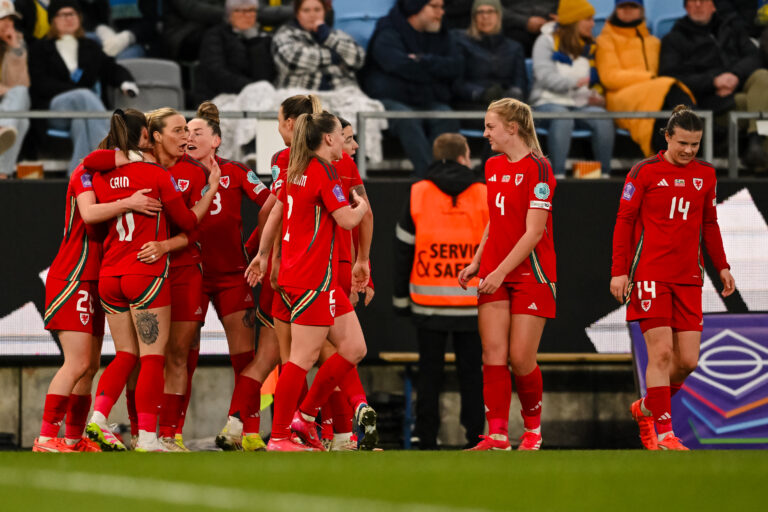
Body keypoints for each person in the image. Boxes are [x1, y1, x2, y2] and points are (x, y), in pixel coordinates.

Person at [85, 110, 220, 452]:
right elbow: (189, 223)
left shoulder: (102, 175)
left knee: (125, 354)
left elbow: (94, 222)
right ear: (149, 136)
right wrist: (211, 190)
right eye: (177, 129)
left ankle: (98, 418)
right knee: (152, 357)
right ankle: (147, 437)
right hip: (145, 274)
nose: (185, 136)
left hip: (110, 275)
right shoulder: (158, 176)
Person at [33, 110, 162, 453]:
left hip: (97, 278)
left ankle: (73, 439)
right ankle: (46, 437)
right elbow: (89, 213)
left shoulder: (110, 174)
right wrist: (129, 202)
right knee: (75, 363)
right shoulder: (87, 172)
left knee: (89, 366)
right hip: (73, 275)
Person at [610, 105, 735, 451]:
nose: (689, 150)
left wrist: (721, 265)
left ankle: (647, 407)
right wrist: (619, 271)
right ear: (667, 137)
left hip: (688, 276)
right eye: (683, 143)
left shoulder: (706, 175)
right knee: (661, 354)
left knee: (689, 362)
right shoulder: (644, 172)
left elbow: (709, 223)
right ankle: (666, 433)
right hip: (650, 274)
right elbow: (623, 222)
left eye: (695, 144)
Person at [244, 111, 369, 451]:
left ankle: (306, 415)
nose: (347, 142)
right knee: (301, 358)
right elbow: (346, 220)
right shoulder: (322, 171)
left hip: (309, 278)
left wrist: (264, 254)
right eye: (343, 136)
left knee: (355, 348)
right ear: (328, 138)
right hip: (312, 279)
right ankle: (282, 436)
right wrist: (360, 207)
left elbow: (275, 212)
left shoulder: (295, 170)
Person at [458, 98, 556, 451]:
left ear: (512, 128)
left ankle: (532, 431)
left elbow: (533, 232)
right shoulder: (493, 166)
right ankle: (497, 434)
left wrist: (497, 271)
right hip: (494, 271)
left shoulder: (540, 169)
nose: (485, 133)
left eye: (490, 126)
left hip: (532, 274)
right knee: (493, 354)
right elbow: (495, 221)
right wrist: (477, 261)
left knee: (521, 358)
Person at [184, 101, 273, 452]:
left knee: (244, 358)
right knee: (183, 357)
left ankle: (248, 432)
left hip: (233, 276)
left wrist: (257, 249)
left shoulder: (236, 171)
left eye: (197, 132)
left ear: (216, 141)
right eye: (186, 132)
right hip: (190, 274)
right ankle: (170, 434)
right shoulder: (176, 173)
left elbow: (271, 203)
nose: (189, 137)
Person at [394, 133, 486, 450]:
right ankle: (477, 435)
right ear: (463, 156)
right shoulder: (484, 193)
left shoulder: (418, 192)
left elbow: (403, 249)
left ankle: (425, 434)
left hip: (427, 302)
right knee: (472, 373)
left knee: (429, 373)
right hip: (473, 302)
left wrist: (400, 300)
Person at [28, 0, 139, 174]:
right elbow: (41, 84)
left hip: (83, 110)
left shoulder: (90, 47)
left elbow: (110, 68)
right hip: (54, 109)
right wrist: (75, 91)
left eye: (72, 14)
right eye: (62, 15)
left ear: (79, 18)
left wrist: (125, 82)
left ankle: (78, 176)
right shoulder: (39, 49)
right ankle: (110, 153)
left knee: (80, 123)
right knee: (83, 95)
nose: (68, 19)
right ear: (52, 20)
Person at [660, 0, 768, 173]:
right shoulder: (674, 39)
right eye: (692, 2)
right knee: (759, 105)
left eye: (702, 1)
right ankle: (760, 157)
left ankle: (755, 142)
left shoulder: (732, 29)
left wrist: (734, 75)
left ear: (713, 5)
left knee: (763, 77)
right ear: (686, 8)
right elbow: (671, 78)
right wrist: (713, 81)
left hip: (740, 89)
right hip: (711, 103)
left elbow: (755, 58)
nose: (697, 5)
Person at [364, 0, 463, 177]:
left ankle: (431, 175)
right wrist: (434, 69)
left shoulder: (441, 32)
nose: (441, 12)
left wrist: (420, 60)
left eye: (441, 7)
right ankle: (433, 178)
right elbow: (397, 65)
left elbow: (456, 66)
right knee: (407, 119)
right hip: (391, 99)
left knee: (447, 116)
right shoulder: (388, 32)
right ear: (415, 8)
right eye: (434, 7)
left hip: (428, 99)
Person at [595, 0, 694, 157]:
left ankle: (672, 155)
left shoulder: (653, 42)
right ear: (616, 10)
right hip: (620, 96)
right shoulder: (606, 39)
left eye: (633, 6)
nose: (628, 10)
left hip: (654, 93)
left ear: (641, 10)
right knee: (672, 92)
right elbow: (609, 77)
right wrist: (649, 78)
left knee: (673, 107)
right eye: (623, 7)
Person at [531, 0, 614, 178]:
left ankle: (604, 176)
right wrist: (575, 83)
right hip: (547, 102)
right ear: (574, 20)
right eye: (588, 19)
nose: (593, 23)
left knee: (602, 118)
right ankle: (557, 177)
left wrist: (594, 97)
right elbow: (544, 76)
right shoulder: (545, 41)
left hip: (578, 103)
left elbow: (590, 82)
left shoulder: (588, 46)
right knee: (563, 117)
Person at [271, 0, 364, 90]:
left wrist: (328, 37)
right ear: (297, 14)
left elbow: (358, 59)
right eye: (306, 10)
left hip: (342, 92)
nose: (312, 15)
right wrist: (333, 57)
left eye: (317, 10)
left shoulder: (337, 35)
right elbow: (292, 60)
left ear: (325, 12)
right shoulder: (286, 34)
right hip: (300, 94)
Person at [193, 0, 276, 102]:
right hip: (219, 96)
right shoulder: (215, 36)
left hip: (257, 96)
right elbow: (216, 73)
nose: (248, 15)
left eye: (252, 10)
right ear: (229, 14)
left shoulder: (263, 39)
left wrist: (254, 41)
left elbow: (265, 76)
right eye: (240, 11)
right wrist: (249, 87)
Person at [453, 0, 527, 109]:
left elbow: (520, 82)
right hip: (471, 104)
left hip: (506, 107)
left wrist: (514, 93)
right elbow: (457, 82)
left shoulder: (515, 48)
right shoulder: (461, 43)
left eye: (490, 11)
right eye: (480, 12)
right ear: (473, 17)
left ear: (499, 15)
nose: (485, 17)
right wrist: (481, 93)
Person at [0, 1, 30, 178]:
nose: (8, 24)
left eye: (11, 19)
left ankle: (4, 128)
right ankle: (2, 172)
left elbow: (21, 83)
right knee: (22, 121)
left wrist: (14, 49)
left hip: (7, 105)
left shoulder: (17, 41)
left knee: (21, 94)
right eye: (3, 19)